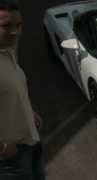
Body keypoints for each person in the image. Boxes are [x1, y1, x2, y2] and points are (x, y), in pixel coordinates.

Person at [0, 0, 45, 180]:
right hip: (9, 160)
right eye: (6, 26)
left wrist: (29, 113)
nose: (15, 32)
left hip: (31, 143)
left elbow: (12, 92)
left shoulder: (7, 52)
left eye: (19, 25)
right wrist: (3, 148)